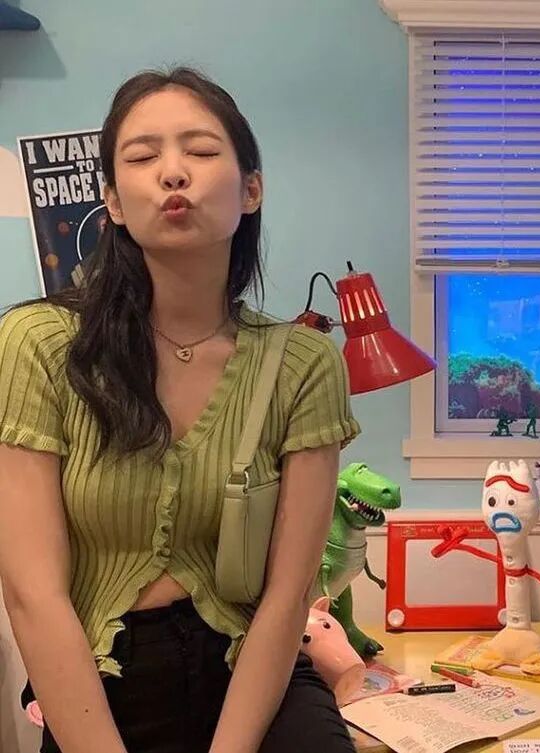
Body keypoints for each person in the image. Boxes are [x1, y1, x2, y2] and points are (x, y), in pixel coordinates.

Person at [0, 67, 361, 753]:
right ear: (112, 200)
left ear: (251, 189)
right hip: (101, 679)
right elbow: (31, 592)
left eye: (200, 150)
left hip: (254, 671)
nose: (173, 172)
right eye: (142, 157)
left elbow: (288, 595)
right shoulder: (39, 344)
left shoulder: (304, 363)